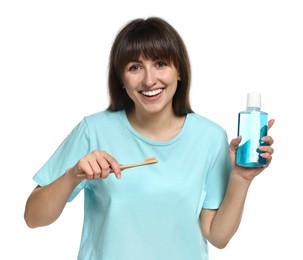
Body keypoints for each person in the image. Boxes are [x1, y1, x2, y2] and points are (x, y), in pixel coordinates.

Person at [24, 17, 275, 260]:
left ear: (180, 71)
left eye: (160, 64)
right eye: (135, 67)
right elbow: (33, 218)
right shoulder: (94, 130)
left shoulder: (209, 137)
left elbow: (217, 236)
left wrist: (241, 179)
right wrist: (71, 176)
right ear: (121, 79)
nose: (149, 80)